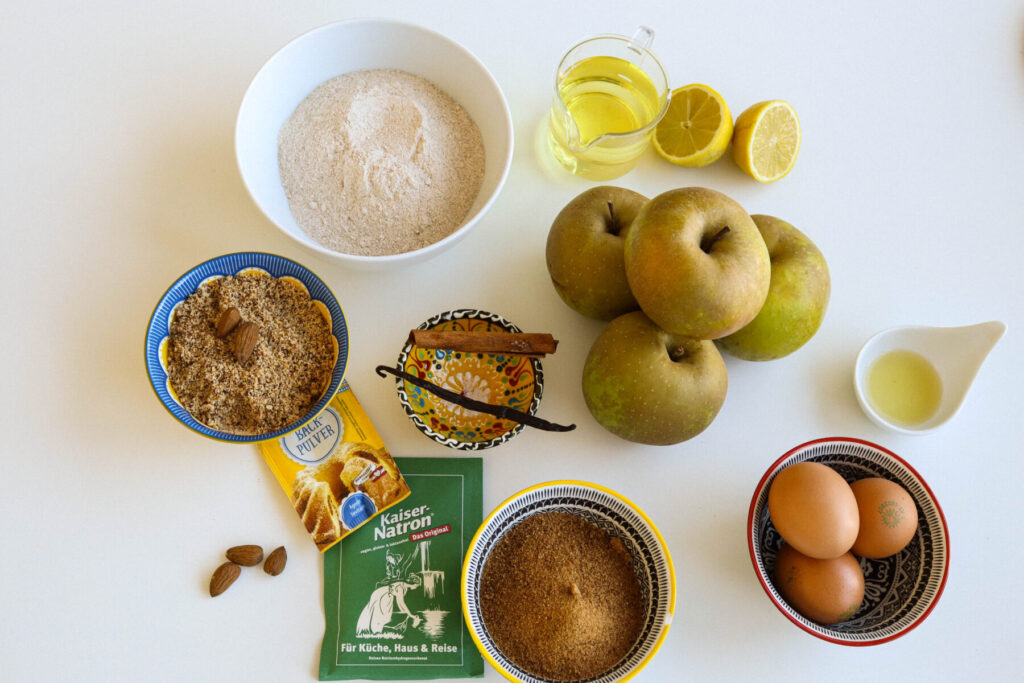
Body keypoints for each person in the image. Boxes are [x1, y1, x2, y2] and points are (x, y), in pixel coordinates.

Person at [356, 572, 423, 634]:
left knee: (384, 615)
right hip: (382, 595)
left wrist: (405, 613)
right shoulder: (400, 587)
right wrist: (411, 615)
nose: (416, 587)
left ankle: (375, 631)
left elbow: (399, 603)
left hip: (385, 595)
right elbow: (401, 602)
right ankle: (375, 631)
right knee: (381, 615)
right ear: (413, 583)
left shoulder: (404, 586)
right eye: (417, 586)